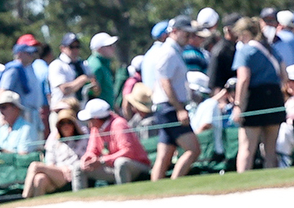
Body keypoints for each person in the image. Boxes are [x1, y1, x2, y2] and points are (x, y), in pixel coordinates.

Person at [143, 17, 201, 179]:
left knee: (164, 156)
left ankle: (156, 191)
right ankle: (175, 183)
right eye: (186, 34)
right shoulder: (168, 52)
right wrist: (179, 109)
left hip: (168, 107)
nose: (189, 38)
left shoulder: (173, 51)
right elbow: (164, 82)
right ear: (174, 32)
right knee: (193, 149)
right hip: (169, 107)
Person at [229, 16, 285, 172]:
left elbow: (243, 79)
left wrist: (238, 105)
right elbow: (284, 74)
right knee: (271, 149)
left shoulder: (245, 51)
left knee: (247, 147)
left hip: (254, 97)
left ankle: (242, 182)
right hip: (274, 96)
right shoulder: (270, 49)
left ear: (245, 33)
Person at [76, 98, 150, 186]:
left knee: (120, 163)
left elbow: (128, 152)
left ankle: (124, 195)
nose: (88, 123)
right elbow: (92, 150)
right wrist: (88, 157)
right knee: (78, 166)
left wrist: (102, 160)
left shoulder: (119, 124)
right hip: (111, 167)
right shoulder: (95, 128)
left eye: (89, 120)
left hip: (138, 167)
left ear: (96, 119)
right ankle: (80, 198)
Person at [23, 108, 87, 198]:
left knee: (35, 165)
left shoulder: (82, 139)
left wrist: (68, 168)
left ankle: (24, 197)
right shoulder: (54, 141)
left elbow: (84, 160)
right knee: (40, 178)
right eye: (62, 123)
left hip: (73, 175)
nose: (66, 126)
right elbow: (50, 162)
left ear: (74, 124)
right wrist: (61, 168)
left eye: (69, 122)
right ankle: (35, 205)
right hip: (56, 174)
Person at [0, 35, 46, 129]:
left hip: (33, 115)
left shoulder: (30, 67)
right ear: (19, 52)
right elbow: (2, 93)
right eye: (29, 52)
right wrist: (4, 116)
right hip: (20, 117)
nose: (32, 54)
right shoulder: (14, 69)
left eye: (34, 51)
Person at [0, 90, 42, 155]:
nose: (0, 111)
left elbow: (22, 157)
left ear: (16, 108)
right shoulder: (3, 129)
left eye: (3, 107)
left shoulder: (27, 129)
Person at [83, 33, 119, 109]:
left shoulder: (103, 64)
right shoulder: (95, 66)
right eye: (109, 46)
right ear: (99, 49)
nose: (113, 48)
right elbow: (92, 94)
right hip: (100, 114)